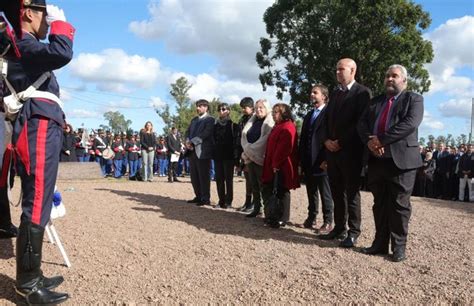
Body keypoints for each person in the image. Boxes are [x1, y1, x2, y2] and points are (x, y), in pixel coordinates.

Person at [2, 0, 74, 303]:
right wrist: (61, 25)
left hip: (42, 122)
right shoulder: (21, 43)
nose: (47, 17)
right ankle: (28, 283)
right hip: (38, 126)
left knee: (41, 199)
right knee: (36, 199)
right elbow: (62, 52)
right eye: (44, 11)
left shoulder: (26, 46)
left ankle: (34, 273)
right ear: (28, 13)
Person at [357, 64, 423, 262]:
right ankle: (379, 243)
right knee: (380, 204)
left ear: (404, 80)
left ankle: (399, 247)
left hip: (401, 161)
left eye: (394, 76)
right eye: (387, 76)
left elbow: (410, 123)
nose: (389, 79)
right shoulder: (375, 102)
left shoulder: (414, 99)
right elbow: (362, 124)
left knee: (399, 204)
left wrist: (382, 140)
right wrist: (370, 141)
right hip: (377, 160)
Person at [319, 58, 371, 248]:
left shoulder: (362, 93)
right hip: (332, 152)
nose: (338, 72)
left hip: (350, 152)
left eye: (341, 69)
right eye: (337, 69)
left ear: (353, 70)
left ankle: (353, 232)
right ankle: (339, 227)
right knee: (336, 191)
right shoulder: (335, 93)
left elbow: (361, 123)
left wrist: (340, 142)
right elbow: (325, 121)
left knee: (351, 193)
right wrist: (326, 141)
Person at [299, 84, 334, 234]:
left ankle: (328, 222)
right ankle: (311, 217)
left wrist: (327, 159)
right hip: (308, 160)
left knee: (325, 193)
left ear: (324, 96)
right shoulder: (308, 115)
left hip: (322, 160)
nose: (312, 95)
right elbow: (303, 139)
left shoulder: (329, 113)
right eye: (311, 93)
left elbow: (331, 136)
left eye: (315, 92)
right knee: (311, 191)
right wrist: (301, 160)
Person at [261, 103, 300, 227]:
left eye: (276, 112)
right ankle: (272, 214)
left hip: (282, 165)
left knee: (282, 190)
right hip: (273, 164)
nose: (273, 114)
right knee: (274, 189)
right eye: (272, 112)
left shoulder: (288, 126)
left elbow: (285, 148)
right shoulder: (278, 126)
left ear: (284, 113)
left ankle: (283, 217)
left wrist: (276, 164)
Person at [241, 99, 275, 217]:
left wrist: (249, 150)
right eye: (257, 108)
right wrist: (248, 150)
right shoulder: (253, 121)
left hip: (262, 158)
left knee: (264, 186)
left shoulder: (269, 122)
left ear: (267, 108)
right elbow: (244, 136)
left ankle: (268, 212)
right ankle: (256, 208)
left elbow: (265, 140)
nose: (258, 110)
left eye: (261, 107)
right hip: (250, 158)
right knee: (254, 185)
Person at [185, 99, 215, 206]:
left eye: (200, 106)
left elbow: (206, 133)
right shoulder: (194, 120)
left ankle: (205, 198)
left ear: (206, 107)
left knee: (204, 176)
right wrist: (187, 141)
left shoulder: (210, 120)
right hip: (192, 152)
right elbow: (187, 132)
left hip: (203, 152)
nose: (197, 108)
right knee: (194, 176)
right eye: (197, 106)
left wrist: (192, 142)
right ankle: (198, 196)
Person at [213, 102, 239, 208]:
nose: (221, 111)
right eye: (219, 109)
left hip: (229, 157)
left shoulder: (233, 125)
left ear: (228, 111)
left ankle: (228, 202)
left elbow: (236, 143)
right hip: (218, 156)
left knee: (229, 180)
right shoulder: (215, 126)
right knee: (219, 179)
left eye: (223, 109)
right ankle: (221, 201)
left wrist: (236, 158)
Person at [236, 97, 255, 211]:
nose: (243, 110)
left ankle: (254, 203)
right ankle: (247, 202)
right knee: (247, 178)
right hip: (243, 151)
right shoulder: (243, 119)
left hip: (252, 151)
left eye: (245, 107)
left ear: (251, 107)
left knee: (253, 179)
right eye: (242, 108)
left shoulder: (255, 119)